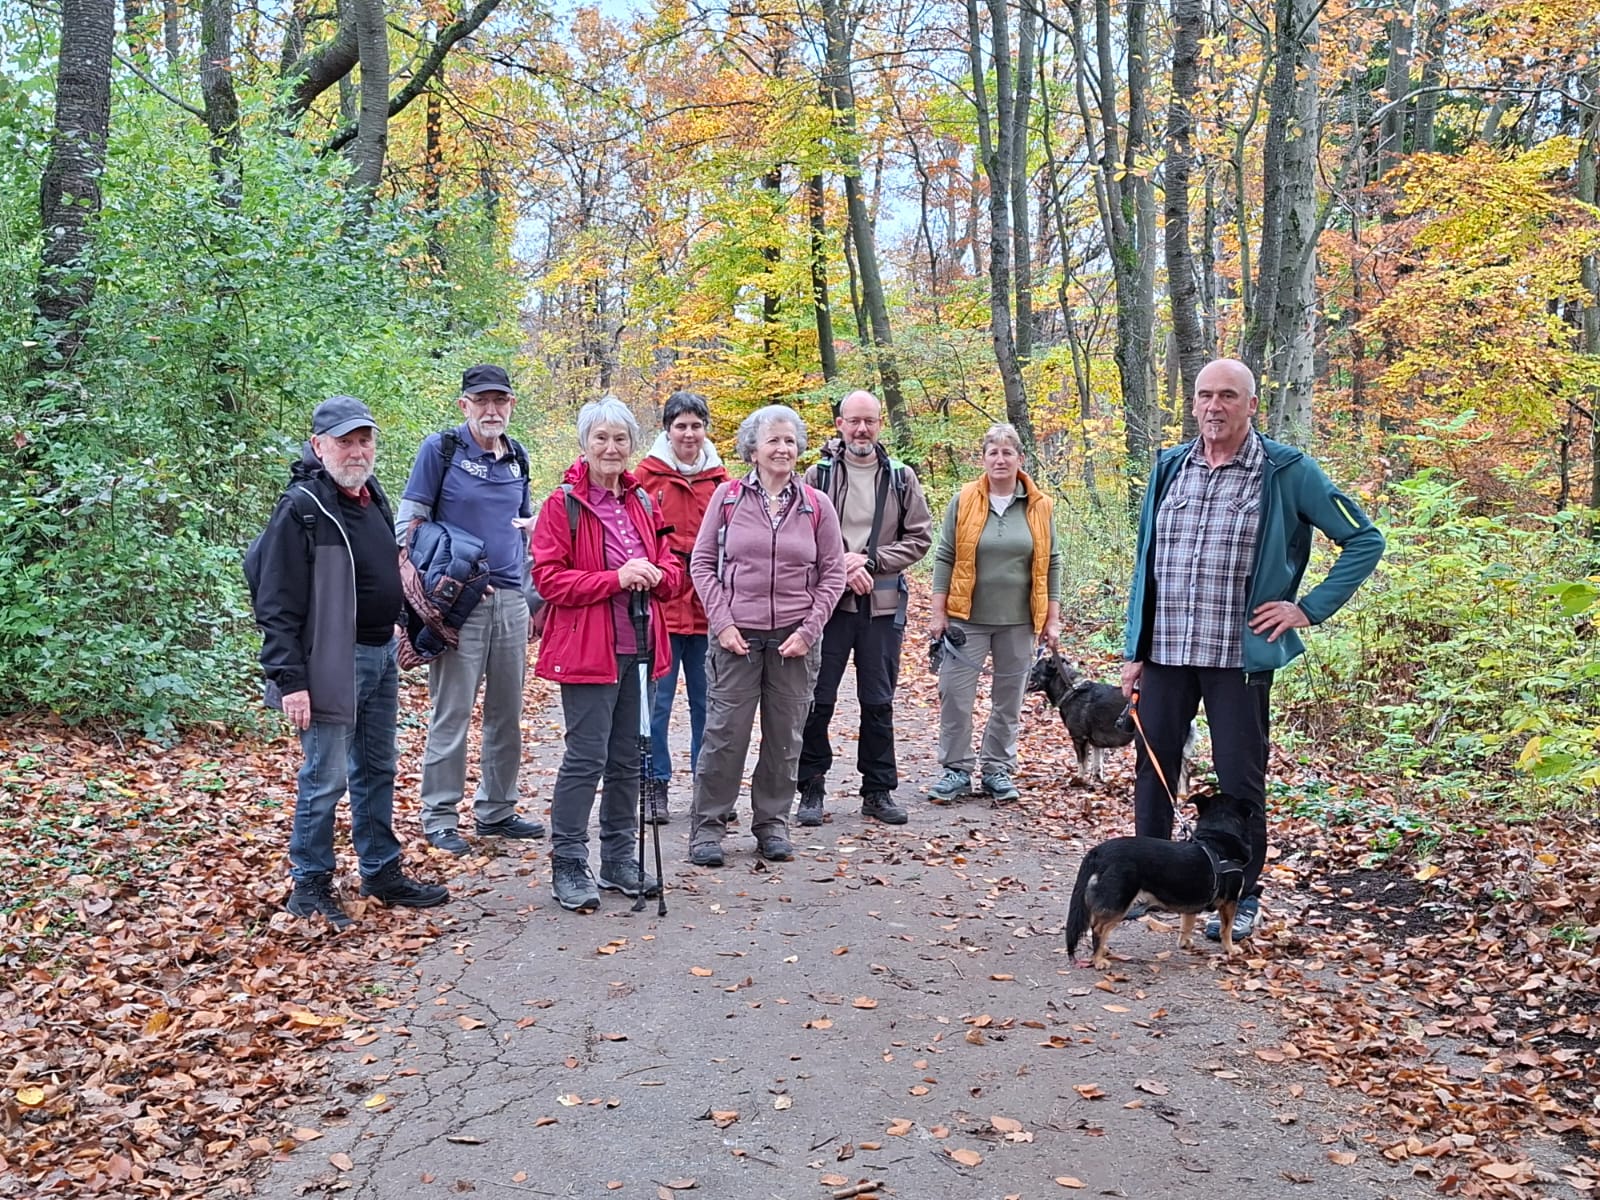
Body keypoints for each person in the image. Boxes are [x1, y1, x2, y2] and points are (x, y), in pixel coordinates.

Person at [1121, 357, 1384, 942]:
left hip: (1239, 657)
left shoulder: (1286, 470)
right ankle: (1153, 880)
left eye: (1228, 397)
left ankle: (1240, 894)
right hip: (1166, 649)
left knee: (1240, 779)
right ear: (1192, 403)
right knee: (1154, 767)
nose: (1214, 407)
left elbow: (1364, 540)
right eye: (1204, 396)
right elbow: (1147, 566)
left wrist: (1306, 608)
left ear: (1251, 404)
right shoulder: (1169, 467)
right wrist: (1133, 647)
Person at [249, 396, 448, 929]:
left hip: (380, 652)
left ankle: (381, 871)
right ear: (319, 446)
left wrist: (406, 621)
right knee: (325, 775)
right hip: (329, 664)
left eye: (365, 441)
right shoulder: (303, 508)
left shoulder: (368, 496)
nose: (357, 451)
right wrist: (290, 679)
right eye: (345, 441)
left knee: (377, 767)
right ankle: (309, 885)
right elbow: (275, 601)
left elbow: (386, 567)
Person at [531, 396, 687, 912]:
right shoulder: (563, 505)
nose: (611, 447)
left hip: (640, 645)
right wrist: (615, 578)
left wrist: (658, 575)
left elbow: (673, 566)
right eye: (601, 437)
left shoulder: (643, 501)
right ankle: (569, 861)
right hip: (587, 651)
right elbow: (549, 580)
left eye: (620, 438)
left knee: (629, 757)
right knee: (585, 757)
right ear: (585, 443)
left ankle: (619, 857)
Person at [397, 365, 546, 856]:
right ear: (464, 405)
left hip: (510, 601)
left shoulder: (518, 457)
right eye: (481, 401)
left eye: (499, 401)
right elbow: (409, 528)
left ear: (511, 405)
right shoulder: (441, 451)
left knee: (507, 714)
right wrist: (430, 594)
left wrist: (531, 597)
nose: (491, 410)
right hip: (459, 606)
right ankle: (440, 815)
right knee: (452, 711)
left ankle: (497, 810)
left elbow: (524, 531)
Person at [687, 405, 847, 866]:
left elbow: (833, 574)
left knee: (785, 737)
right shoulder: (728, 497)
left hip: (795, 640)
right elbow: (701, 564)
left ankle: (772, 823)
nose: (782, 448)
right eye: (773, 440)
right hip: (736, 638)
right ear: (752, 448)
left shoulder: (817, 505)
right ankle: (708, 828)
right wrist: (723, 623)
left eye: (790, 441)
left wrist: (809, 629)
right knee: (724, 736)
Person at [797, 390, 933, 826]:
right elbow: (799, 535)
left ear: (879, 425)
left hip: (882, 605)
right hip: (828, 606)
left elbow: (919, 538)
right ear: (839, 424)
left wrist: (871, 562)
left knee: (878, 701)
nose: (861, 429)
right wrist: (842, 566)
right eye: (853, 420)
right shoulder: (816, 476)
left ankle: (878, 791)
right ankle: (811, 788)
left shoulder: (900, 477)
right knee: (818, 699)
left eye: (869, 421)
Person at [928, 423, 1062, 804]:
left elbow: (1052, 562)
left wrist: (1051, 619)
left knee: (1008, 700)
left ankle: (997, 770)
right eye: (993, 452)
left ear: (1020, 459)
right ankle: (956, 768)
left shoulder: (1040, 505)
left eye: (1008, 453)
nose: (1000, 459)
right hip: (965, 619)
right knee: (955, 695)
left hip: (1019, 621)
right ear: (983, 458)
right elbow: (945, 556)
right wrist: (938, 613)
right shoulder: (965, 499)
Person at [630, 391, 730, 823]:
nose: (689, 434)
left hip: (709, 609)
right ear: (667, 430)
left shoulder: (724, 483)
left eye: (696, 425)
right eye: (681, 426)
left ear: (705, 428)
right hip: (664, 609)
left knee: (710, 705)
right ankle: (654, 785)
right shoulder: (645, 478)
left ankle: (708, 793)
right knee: (656, 705)